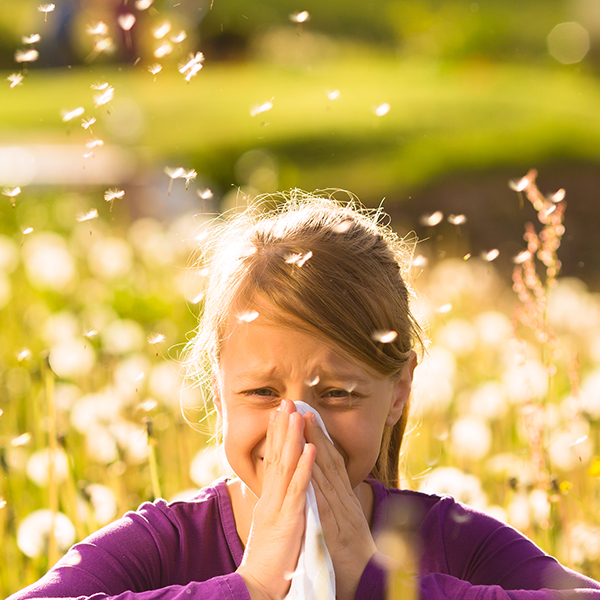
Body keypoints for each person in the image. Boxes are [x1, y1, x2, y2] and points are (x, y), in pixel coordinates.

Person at [8, 193, 600, 600]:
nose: (297, 425)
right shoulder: (166, 545)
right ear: (219, 385)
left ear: (398, 393)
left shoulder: (454, 543)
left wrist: (379, 583)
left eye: (338, 393)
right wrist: (252, 585)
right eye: (263, 392)